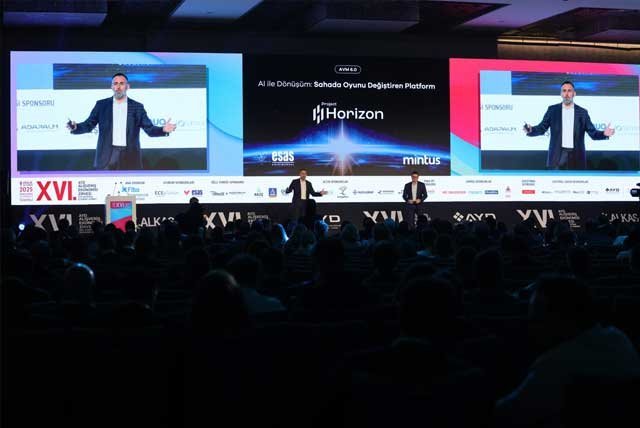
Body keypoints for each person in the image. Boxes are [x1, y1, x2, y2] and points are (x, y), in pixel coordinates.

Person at [67, 72, 177, 170]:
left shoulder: (137, 107)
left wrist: (163, 130)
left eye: (121, 83)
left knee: (131, 186)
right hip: (107, 156)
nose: (118, 87)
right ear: (111, 86)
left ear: (127, 86)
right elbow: (88, 125)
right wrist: (75, 127)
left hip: (130, 156)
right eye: (115, 84)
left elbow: (150, 129)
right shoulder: (101, 105)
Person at [523, 80, 614, 170]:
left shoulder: (582, 112)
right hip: (557, 156)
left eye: (569, 91)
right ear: (561, 94)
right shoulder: (552, 110)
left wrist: (604, 134)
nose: (566, 94)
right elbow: (542, 128)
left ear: (574, 93)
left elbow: (593, 133)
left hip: (577, 156)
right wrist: (531, 130)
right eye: (564, 91)